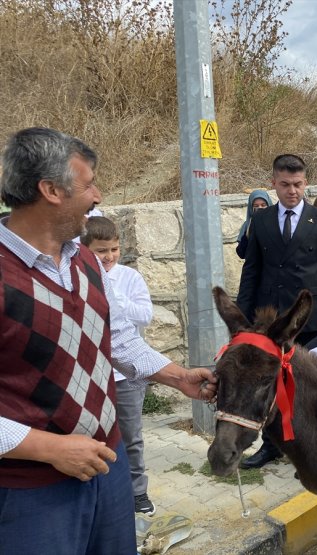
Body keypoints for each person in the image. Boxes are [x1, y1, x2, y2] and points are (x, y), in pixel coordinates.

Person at [0, 127, 216, 554]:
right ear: (50, 190)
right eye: (88, 184)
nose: (97, 195)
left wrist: (176, 376)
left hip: (107, 469)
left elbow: (116, 339)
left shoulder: (85, 261)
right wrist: (50, 449)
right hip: (30, 494)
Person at [236, 154, 317, 469]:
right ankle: (271, 445)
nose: (292, 191)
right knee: (269, 381)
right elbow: (251, 271)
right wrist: (243, 322)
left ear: (306, 183)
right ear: (274, 183)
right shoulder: (261, 220)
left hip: (307, 318)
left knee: (307, 383)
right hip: (270, 321)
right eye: (285, 184)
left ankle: (313, 443)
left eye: (298, 184)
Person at [80, 216, 156, 515]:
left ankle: (137, 492)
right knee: (92, 435)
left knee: (131, 435)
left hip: (126, 374)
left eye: (114, 249)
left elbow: (144, 315)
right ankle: (103, 494)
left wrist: (112, 293)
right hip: (93, 374)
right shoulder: (80, 276)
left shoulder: (129, 278)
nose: (109, 256)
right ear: (86, 250)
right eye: (102, 251)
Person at [235, 189, 272, 259]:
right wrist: (248, 234)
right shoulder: (247, 225)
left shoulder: (277, 223)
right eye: (256, 206)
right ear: (251, 208)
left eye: (263, 205)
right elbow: (241, 253)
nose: (260, 208)